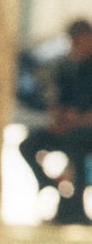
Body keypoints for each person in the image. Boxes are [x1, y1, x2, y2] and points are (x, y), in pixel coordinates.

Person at [19, 17, 92, 222]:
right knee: (29, 144)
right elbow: (58, 102)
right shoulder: (67, 67)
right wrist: (60, 119)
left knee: (75, 143)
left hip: (84, 131)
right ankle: (50, 185)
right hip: (70, 129)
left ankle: (73, 209)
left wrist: (77, 121)